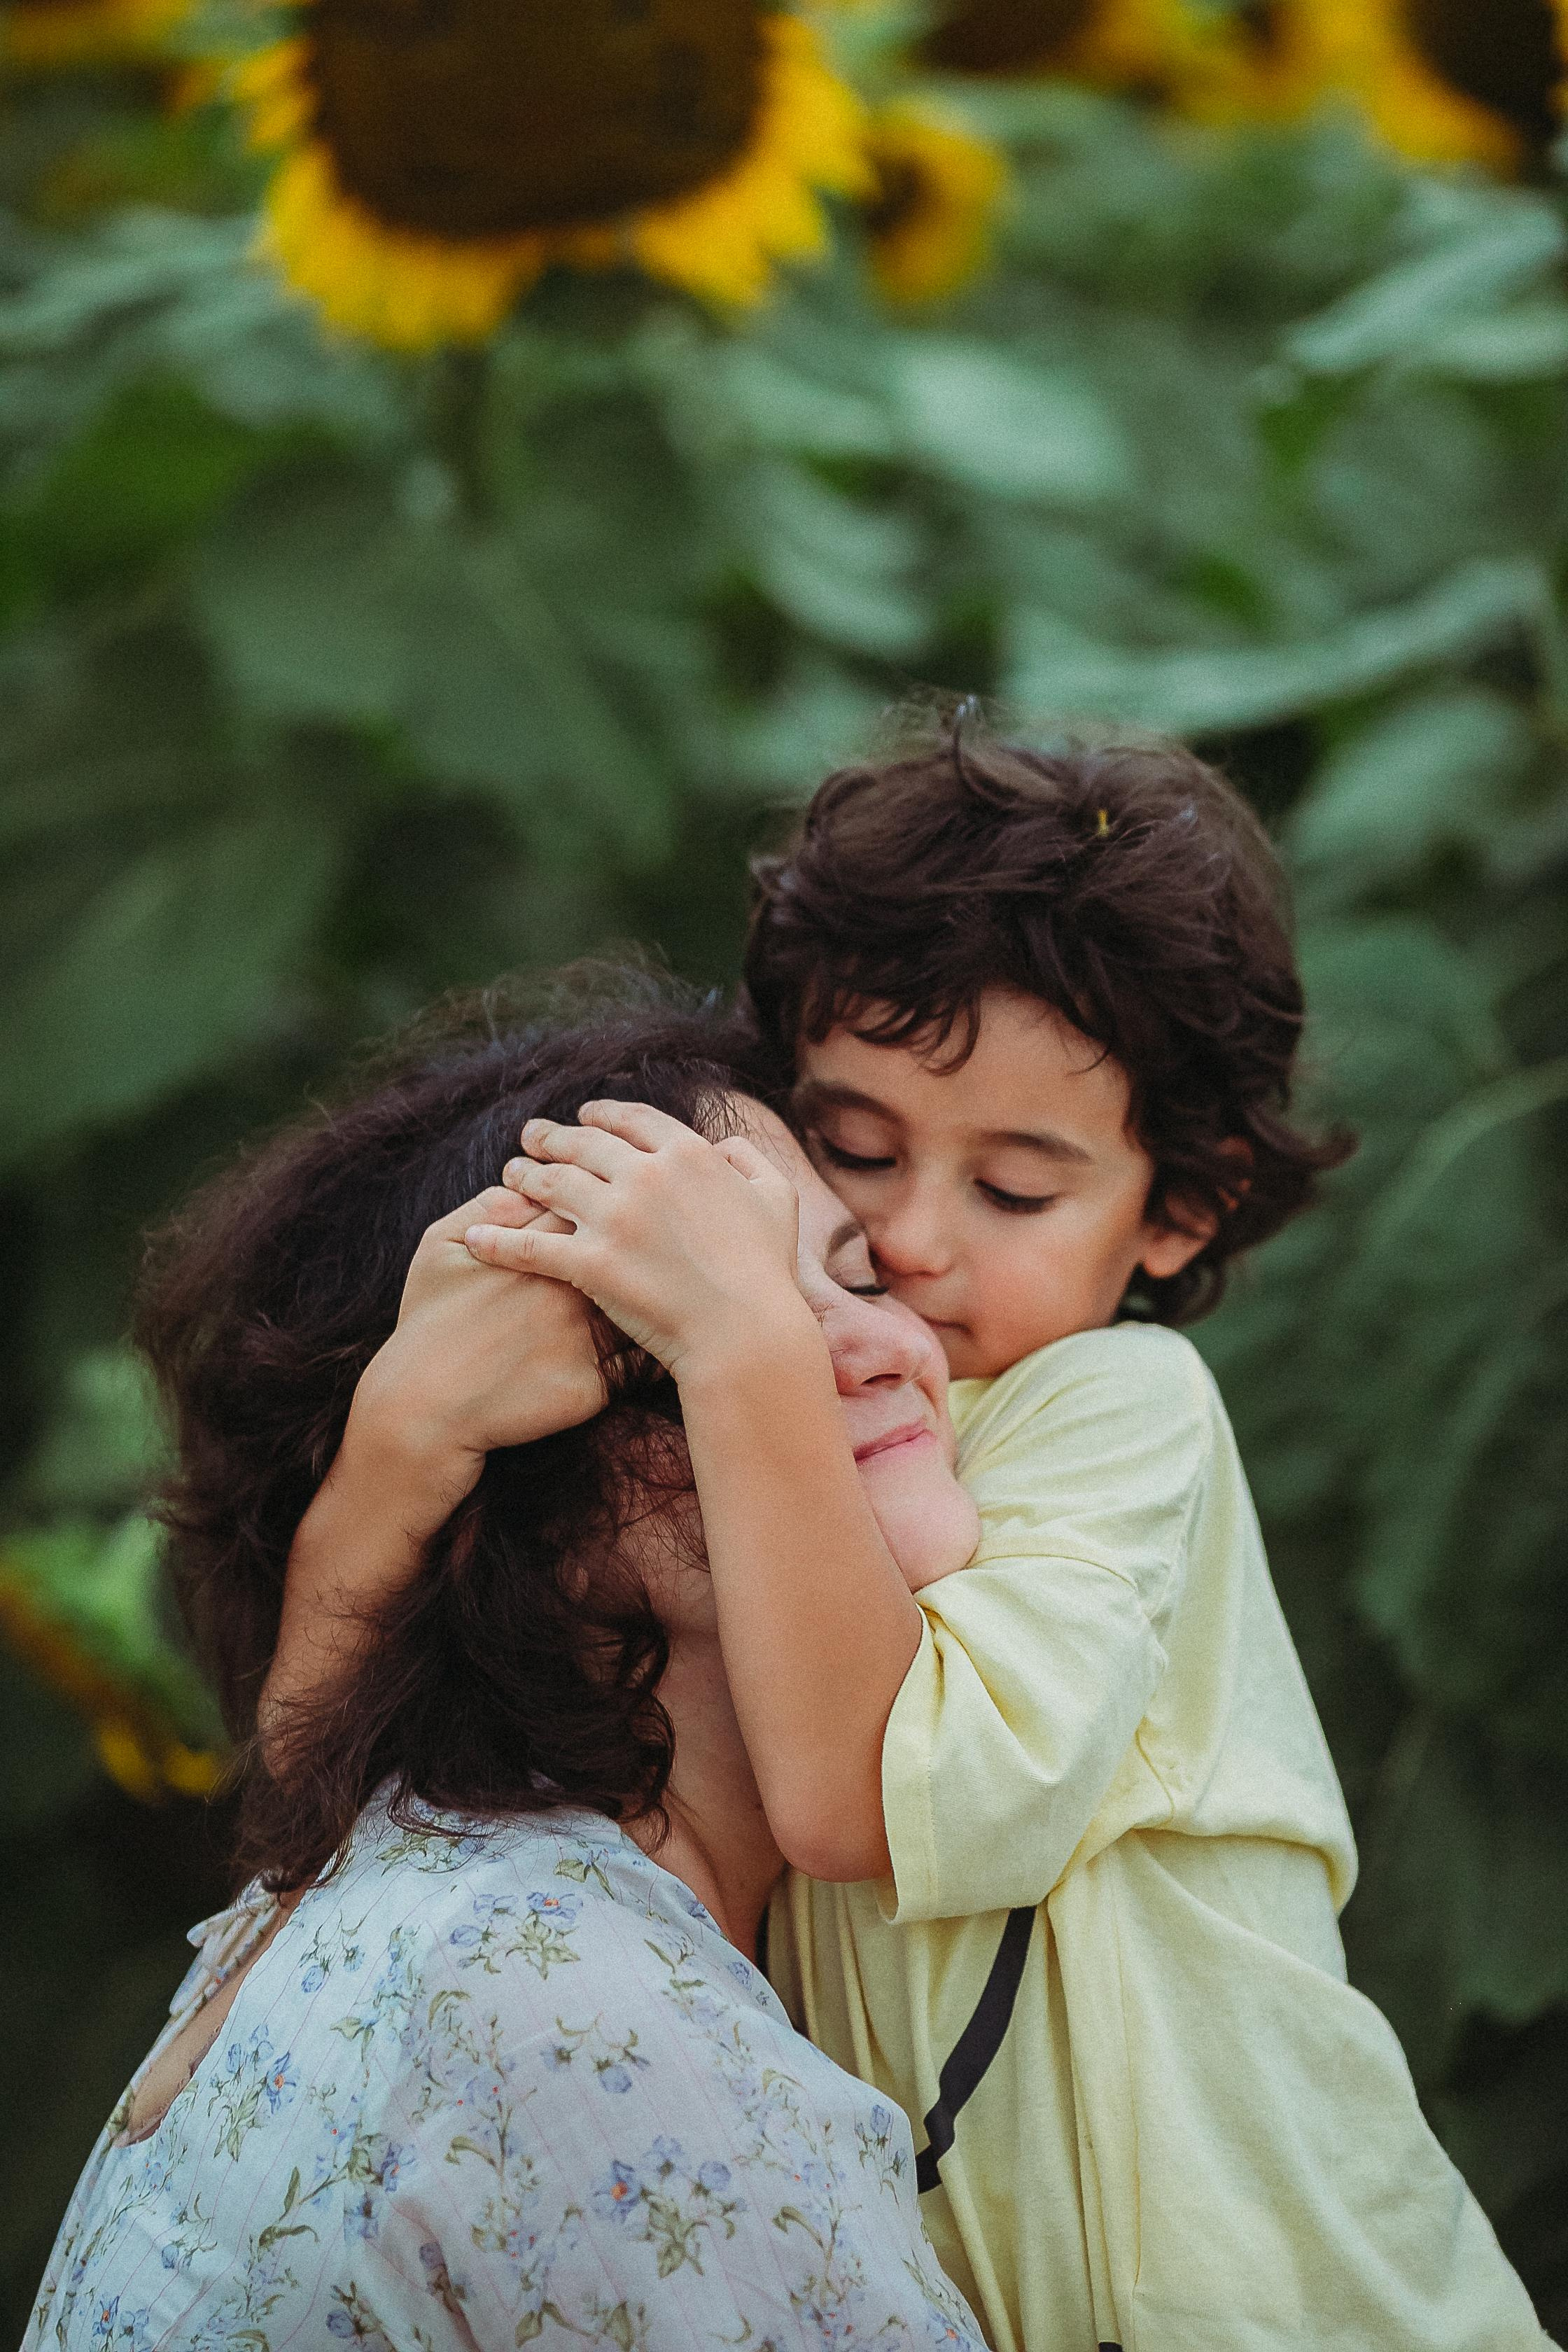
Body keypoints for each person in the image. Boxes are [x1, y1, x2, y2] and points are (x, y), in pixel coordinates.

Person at [442, 727, 1546, 2352]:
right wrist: (414, 1428)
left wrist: (743, 1334)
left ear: (1179, 1209)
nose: (909, 1236)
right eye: (857, 1150)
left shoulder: (1119, 1407)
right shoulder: (788, 1426)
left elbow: (854, 1794)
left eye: (1019, 1190)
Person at [24, 1001, 988, 2352]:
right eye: (716, 1337)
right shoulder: (587, 2017)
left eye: (857, 1275)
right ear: (529, 1505)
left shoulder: (383, 1875)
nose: (873, 1343)